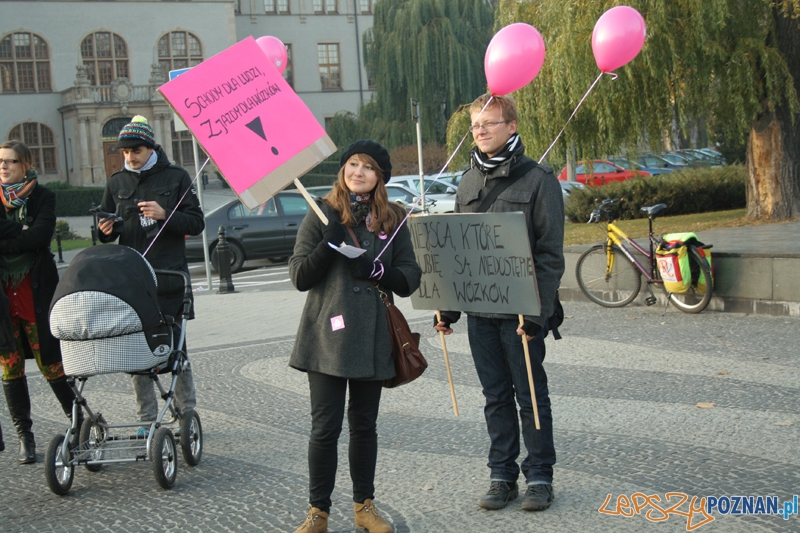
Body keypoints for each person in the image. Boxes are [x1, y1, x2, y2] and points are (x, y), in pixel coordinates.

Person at [434, 93, 565, 512]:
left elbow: (550, 256)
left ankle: (540, 476)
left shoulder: (539, 179)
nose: (481, 131)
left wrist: (537, 312)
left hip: (522, 314)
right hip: (480, 313)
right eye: (475, 125)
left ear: (511, 126)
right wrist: (447, 306)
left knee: (530, 395)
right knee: (494, 396)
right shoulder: (468, 181)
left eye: (489, 123)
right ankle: (502, 474)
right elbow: (460, 252)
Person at [288, 140, 422, 533]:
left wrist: (377, 271)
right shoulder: (322, 212)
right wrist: (327, 247)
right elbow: (299, 276)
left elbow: (410, 277)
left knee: (364, 425)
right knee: (324, 427)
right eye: (351, 164)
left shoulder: (393, 217)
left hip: (372, 336)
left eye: (367, 167)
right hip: (327, 335)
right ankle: (318, 512)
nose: (357, 172)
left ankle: (364, 506)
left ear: (380, 176)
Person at [97, 116, 204, 431]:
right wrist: (105, 230)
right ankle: (146, 419)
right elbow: (106, 228)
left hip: (170, 279)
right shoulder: (116, 181)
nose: (130, 157)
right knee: (135, 350)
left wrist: (165, 215)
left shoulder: (175, 177)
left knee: (175, 349)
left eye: (136, 151)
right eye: (125, 152)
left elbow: (196, 223)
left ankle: (187, 414)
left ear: (151, 147)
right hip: (133, 280)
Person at [0, 140, 81, 464]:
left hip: (36, 294)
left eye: (11, 161)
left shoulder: (43, 197)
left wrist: (13, 236)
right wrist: (20, 228)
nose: (4, 167)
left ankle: (79, 423)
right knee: (10, 369)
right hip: (4, 302)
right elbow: (28, 235)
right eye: (0, 162)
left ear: (26, 164)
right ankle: (25, 436)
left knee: (52, 366)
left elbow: (40, 237)